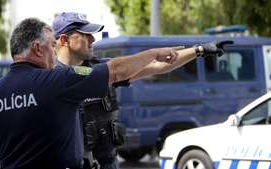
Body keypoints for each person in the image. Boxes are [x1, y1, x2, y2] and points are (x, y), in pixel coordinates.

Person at [0, 18, 180, 169]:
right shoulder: (56, 81)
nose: (55, 55)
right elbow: (115, 70)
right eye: (52, 47)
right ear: (37, 48)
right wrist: (153, 53)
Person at [52, 12, 233, 169]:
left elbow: (157, 66)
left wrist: (199, 50)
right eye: (85, 34)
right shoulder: (47, 80)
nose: (92, 39)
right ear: (64, 40)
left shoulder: (100, 70)